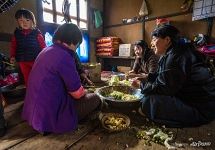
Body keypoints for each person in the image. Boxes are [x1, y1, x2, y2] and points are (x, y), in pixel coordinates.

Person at [22, 23, 101, 134]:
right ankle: (74, 121)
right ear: (73, 41)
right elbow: (77, 94)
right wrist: (87, 91)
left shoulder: (45, 51)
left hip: (33, 114)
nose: (75, 50)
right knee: (96, 99)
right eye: (77, 46)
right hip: (49, 116)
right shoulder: (64, 55)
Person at [139, 25, 215, 127]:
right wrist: (147, 78)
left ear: (167, 40)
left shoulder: (176, 56)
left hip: (200, 109)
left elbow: (165, 88)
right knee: (148, 93)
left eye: (154, 39)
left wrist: (141, 85)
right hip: (194, 100)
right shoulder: (174, 52)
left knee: (148, 101)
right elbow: (164, 76)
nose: (151, 44)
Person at [10, 8, 46, 86]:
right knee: (27, 77)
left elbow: (43, 47)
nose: (24, 23)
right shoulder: (17, 34)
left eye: (27, 20)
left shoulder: (37, 33)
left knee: (37, 76)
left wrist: (45, 57)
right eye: (21, 20)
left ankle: (39, 91)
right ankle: (30, 93)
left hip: (35, 60)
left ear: (32, 21)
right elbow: (13, 45)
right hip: (22, 60)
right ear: (18, 22)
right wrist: (12, 56)